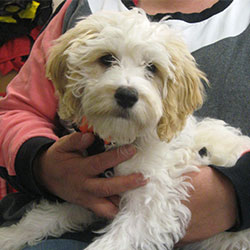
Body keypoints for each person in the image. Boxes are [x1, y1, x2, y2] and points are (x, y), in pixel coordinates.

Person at [0, 0, 249, 249]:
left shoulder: (160, 156)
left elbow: (142, 223)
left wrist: (239, 190)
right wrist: (42, 163)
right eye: (107, 61)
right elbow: (17, 112)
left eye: (151, 69)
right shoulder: (84, 7)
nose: (127, 86)